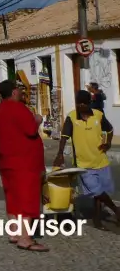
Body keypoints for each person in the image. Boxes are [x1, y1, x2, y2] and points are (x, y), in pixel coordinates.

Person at [0, 79, 47, 251]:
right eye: (20, 90)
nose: (22, 93)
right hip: (24, 161)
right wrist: (37, 119)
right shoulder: (18, 108)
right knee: (26, 198)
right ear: (14, 92)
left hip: (6, 160)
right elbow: (30, 129)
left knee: (12, 197)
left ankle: (14, 232)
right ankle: (25, 238)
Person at [54, 90, 118, 229]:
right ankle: (117, 210)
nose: (81, 106)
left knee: (99, 194)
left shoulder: (98, 115)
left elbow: (110, 129)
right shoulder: (72, 117)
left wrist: (108, 143)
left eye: (84, 103)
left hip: (101, 161)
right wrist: (60, 154)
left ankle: (96, 219)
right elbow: (64, 137)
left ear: (89, 103)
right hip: (83, 165)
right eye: (78, 103)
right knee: (96, 191)